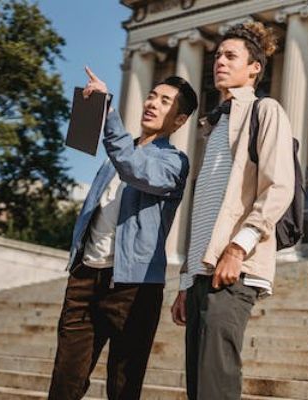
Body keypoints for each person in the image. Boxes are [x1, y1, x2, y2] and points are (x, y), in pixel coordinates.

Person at [48, 67, 198, 400]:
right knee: (65, 381)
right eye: (152, 96)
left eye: (165, 101)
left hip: (134, 287)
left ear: (179, 120)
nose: (153, 103)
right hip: (85, 278)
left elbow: (135, 169)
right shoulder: (114, 157)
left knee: (123, 387)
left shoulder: (174, 162)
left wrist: (108, 112)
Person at [170, 22, 295, 400]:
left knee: (216, 382)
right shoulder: (214, 124)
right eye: (217, 56)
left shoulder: (265, 110)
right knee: (199, 385)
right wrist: (186, 282)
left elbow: (279, 186)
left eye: (230, 56)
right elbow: (207, 212)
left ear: (254, 67)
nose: (219, 62)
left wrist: (239, 248)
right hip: (202, 272)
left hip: (233, 268)